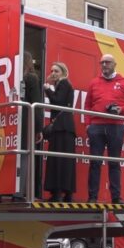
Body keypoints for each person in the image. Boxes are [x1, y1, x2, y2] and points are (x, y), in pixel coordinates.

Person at [84, 54, 124, 204]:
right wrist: (88, 124)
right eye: (102, 63)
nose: (104, 65)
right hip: (96, 127)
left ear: (114, 64)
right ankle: (92, 197)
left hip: (116, 126)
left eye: (107, 62)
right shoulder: (94, 83)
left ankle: (116, 197)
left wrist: (121, 110)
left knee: (114, 162)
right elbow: (87, 105)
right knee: (95, 162)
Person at [43, 61, 76, 202]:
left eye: (56, 71)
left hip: (62, 127)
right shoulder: (63, 85)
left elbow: (58, 101)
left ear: (63, 72)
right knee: (65, 160)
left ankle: (57, 193)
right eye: (52, 71)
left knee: (57, 160)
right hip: (65, 127)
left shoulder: (63, 83)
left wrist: (47, 89)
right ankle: (67, 193)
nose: (53, 73)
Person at [20, 51, 44, 200]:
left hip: (8, 120)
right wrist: (39, 128)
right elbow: (36, 105)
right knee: (24, 155)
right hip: (25, 120)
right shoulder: (32, 78)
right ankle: (19, 192)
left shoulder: (10, 76)